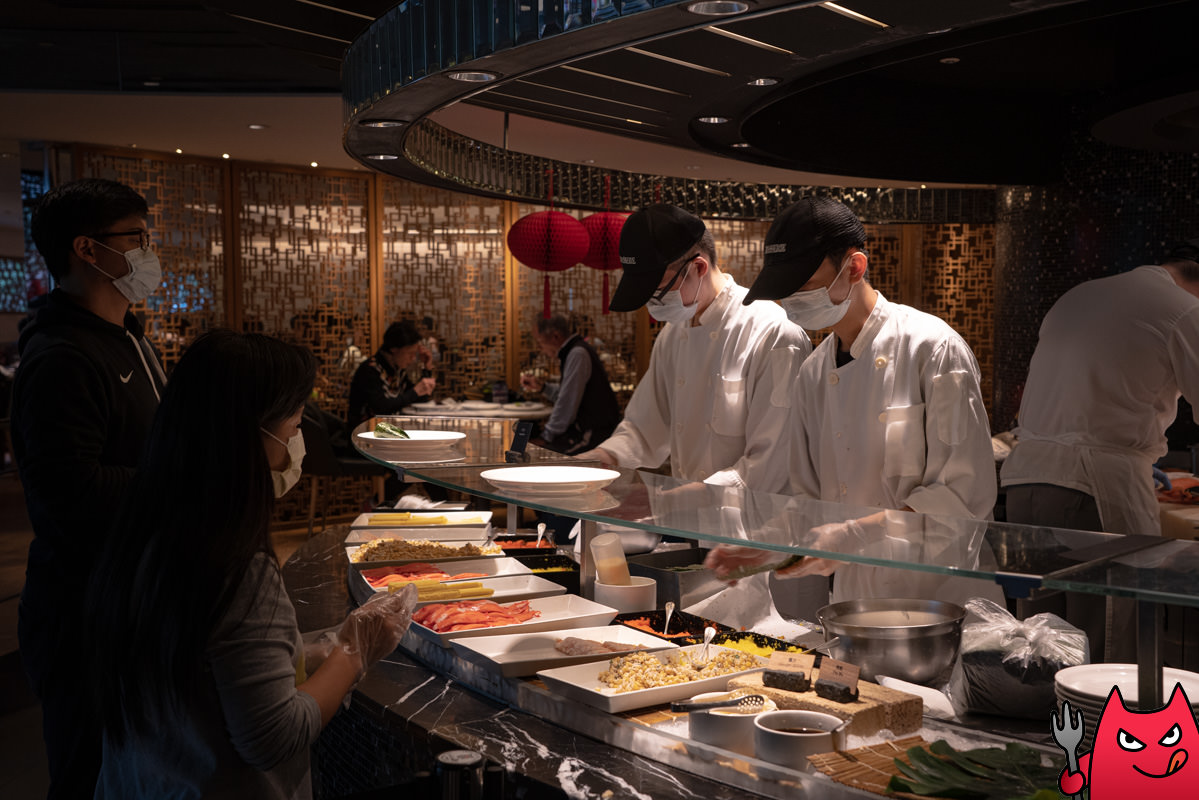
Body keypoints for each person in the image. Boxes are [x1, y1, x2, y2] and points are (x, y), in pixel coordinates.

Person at [84, 330, 418, 797]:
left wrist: (310, 652)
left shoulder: (145, 524)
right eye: (294, 427)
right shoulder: (234, 564)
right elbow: (274, 737)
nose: (296, 444)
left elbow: (210, 669)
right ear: (249, 435)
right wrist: (354, 651)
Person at [708, 196, 1001, 607]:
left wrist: (854, 534)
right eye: (785, 291)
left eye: (803, 286)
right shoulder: (812, 374)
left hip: (940, 604)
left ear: (855, 267)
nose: (792, 301)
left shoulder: (933, 349)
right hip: (852, 604)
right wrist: (768, 547)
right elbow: (807, 500)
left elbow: (963, 500)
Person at [11, 177, 167, 798]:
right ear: (87, 249)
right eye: (137, 237)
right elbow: (68, 494)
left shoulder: (130, 335)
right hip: (85, 613)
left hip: (136, 597)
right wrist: (184, 481)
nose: (148, 251)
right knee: (88, 775)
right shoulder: (60, 358)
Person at [1000, 237, 1199, 661]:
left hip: (1024, 478)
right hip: (1094, 486)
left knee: (1039, 641)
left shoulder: (1082, 294)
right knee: (1103, 639)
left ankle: (1044, 726)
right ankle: (1096, 729)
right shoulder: (1185, 309)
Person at [577, 204, 811, 493]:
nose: (652, 307)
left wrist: (677, 500)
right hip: (691, 522)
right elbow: (645, 428)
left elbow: (772, 462)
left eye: (657, 293)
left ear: (698, 268)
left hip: (755, 526)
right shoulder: (672, 336)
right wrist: (599, 458)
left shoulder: (773, 334)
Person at [520, 313, 621, 455]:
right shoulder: (574, 351)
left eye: (540, 342)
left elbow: (567, 402)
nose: (540, 349)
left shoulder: (577, 353)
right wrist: (542, 387)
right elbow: (567, 394)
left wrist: (546, 437)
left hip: (593, 433)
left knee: (541, 456)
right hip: (584, 431)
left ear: (555, 337)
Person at [346, 320, 436, 428]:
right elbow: (382, 408)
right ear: (394, 349)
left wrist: (427, 368)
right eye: (410, 353)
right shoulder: (371, 369)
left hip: (389, 430)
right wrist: (415, 391)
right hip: (365, 434)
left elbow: (419, 398)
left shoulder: (396, 370)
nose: (413, 359)